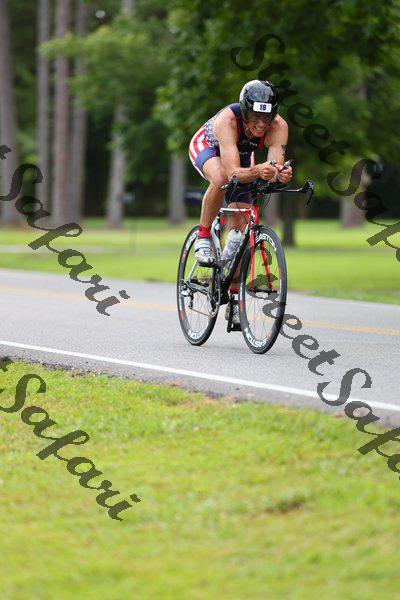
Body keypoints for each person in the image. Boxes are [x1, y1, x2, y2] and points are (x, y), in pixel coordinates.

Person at [188, 79, 293, 328]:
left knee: (240, 233)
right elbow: (233, 173)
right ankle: (203, 234)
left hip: (241, 154)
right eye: (255, 116)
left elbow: (273, 168)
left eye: (266, 117)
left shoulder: (279, 126)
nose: (261, 124)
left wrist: (280, 175)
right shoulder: (228, 121)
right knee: (221, 178)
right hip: (209, 147)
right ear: (245, 112)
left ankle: (234, 299)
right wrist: (258, 171)